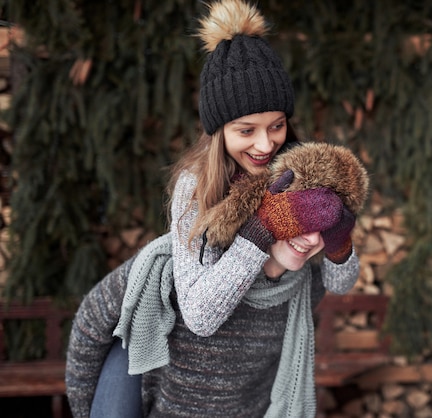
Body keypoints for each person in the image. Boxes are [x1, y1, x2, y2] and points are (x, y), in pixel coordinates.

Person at [65, 1, 369, 417]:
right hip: (161, 355)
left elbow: (339, 278)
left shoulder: (300, 169)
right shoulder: (197, 187)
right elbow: (201, 315)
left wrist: (337, 229)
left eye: (277, 125)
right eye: (247, 130)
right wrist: (264, 227)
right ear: (218, 131)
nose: (265, 145)